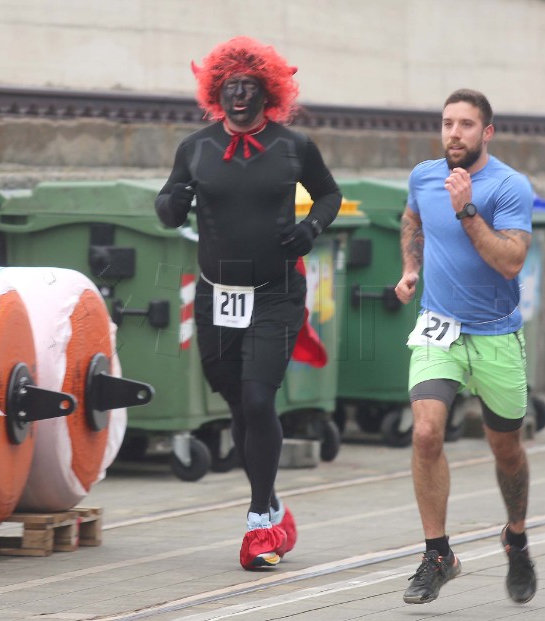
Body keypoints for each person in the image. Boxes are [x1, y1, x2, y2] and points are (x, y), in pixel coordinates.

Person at [154, 36, 342, 571]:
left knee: (259, 400)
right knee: (235, 401)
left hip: (277, 293)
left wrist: (311, 228)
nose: (238, 96)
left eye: (249, 87)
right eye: (229, 87)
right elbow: (167, 213)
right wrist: (175, 200)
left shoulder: (294, 146)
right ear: (217, 92)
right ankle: (275, 503)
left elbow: (328, 194)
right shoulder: (195, 148)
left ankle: (260, 520)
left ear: (268, 93)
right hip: (217, 295)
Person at [395, 88, 537, 605]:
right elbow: (413, 219)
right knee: (426, 432)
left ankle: (516, 538)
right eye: (448, 123)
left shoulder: (508, 187)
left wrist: (467, 210)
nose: (454, 133)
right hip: (440, 329)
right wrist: (412, 268)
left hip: (497, 335)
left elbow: (511, 261)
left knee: (506, 449)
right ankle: (438, 555)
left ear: (487, 132)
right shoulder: (424, 176)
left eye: (466, 125)